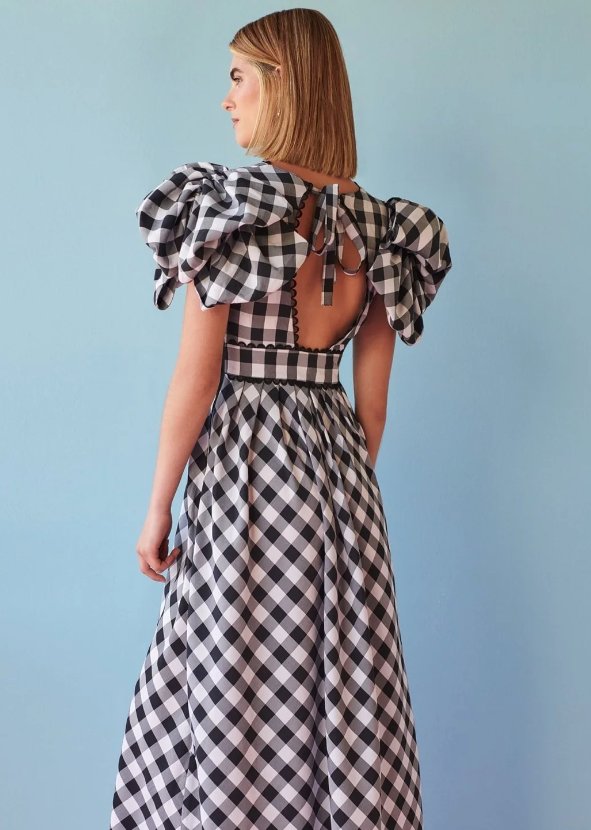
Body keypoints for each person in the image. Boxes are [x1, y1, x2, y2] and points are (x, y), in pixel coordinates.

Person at [109, 9, 452, 830]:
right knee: (337, 679)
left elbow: (197, 378)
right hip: (339, 477)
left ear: (283, 85)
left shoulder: (235, 211)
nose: (227, 98)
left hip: (244, 471)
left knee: (230, 677)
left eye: (238, 77)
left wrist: (157, 506)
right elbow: (372, 407)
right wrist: (337, 491)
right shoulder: (385, 230)